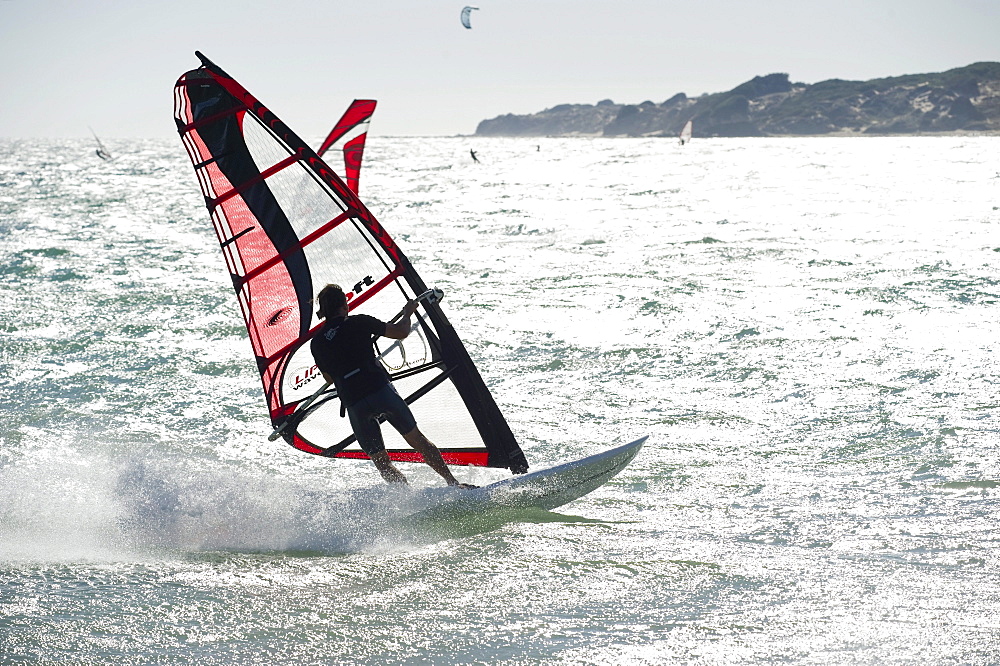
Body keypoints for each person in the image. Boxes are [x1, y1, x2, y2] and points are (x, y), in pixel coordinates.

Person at [310, 284, 477, 488]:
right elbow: (401, 332)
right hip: (379, 390)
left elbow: (329, 379)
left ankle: (407, 498)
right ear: (345, 304)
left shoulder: (316, 343)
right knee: (418, 440)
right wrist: (408, 313)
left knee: (381, 462)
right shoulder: (359, 321)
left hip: (354, 402)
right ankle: (452, 483)